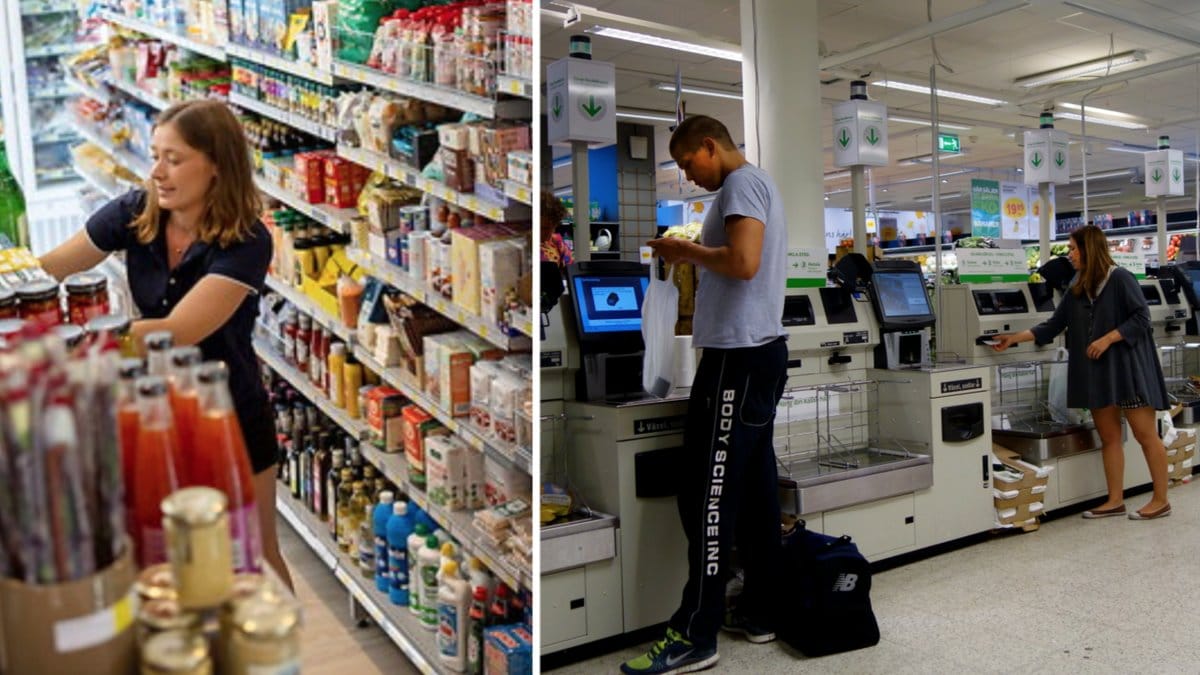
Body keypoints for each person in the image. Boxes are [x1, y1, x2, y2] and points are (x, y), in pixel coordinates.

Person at [39, 99, 294, 586]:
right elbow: (50, 268)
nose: (156, 171)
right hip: (155, 411)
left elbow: (178, 331)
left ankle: (279, 632)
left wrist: (79, 341)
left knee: (255, 553)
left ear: (217, 165)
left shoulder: (247, 240)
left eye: (173, 159)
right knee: (169, 552)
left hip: (228, 414)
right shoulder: (136, 211)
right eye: (156, 155)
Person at [623, 115, 788, 675]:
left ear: (710, 146)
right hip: (758, 354)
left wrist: (685, 251)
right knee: (758, 492)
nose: (687, 175)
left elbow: (743, 263)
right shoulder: (757, 183)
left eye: (688, 162)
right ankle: (761, 610)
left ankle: (696, 633)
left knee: (706, 495)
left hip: (736, 361)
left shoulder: (741, 185)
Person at [992, 224, 1170, 520]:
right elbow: (1053, 324)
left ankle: (1161, 500)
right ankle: (1115, 500)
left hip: (1128, 372)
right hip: (1097, 375)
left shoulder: (1120, 278)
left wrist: (1108, 338)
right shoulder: (1077, 285)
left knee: (1146, 435)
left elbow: (1141, 318)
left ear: (1089, 249)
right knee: (1109, 438)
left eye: (1073, 248)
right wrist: (1014, 338)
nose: (1070, 254)